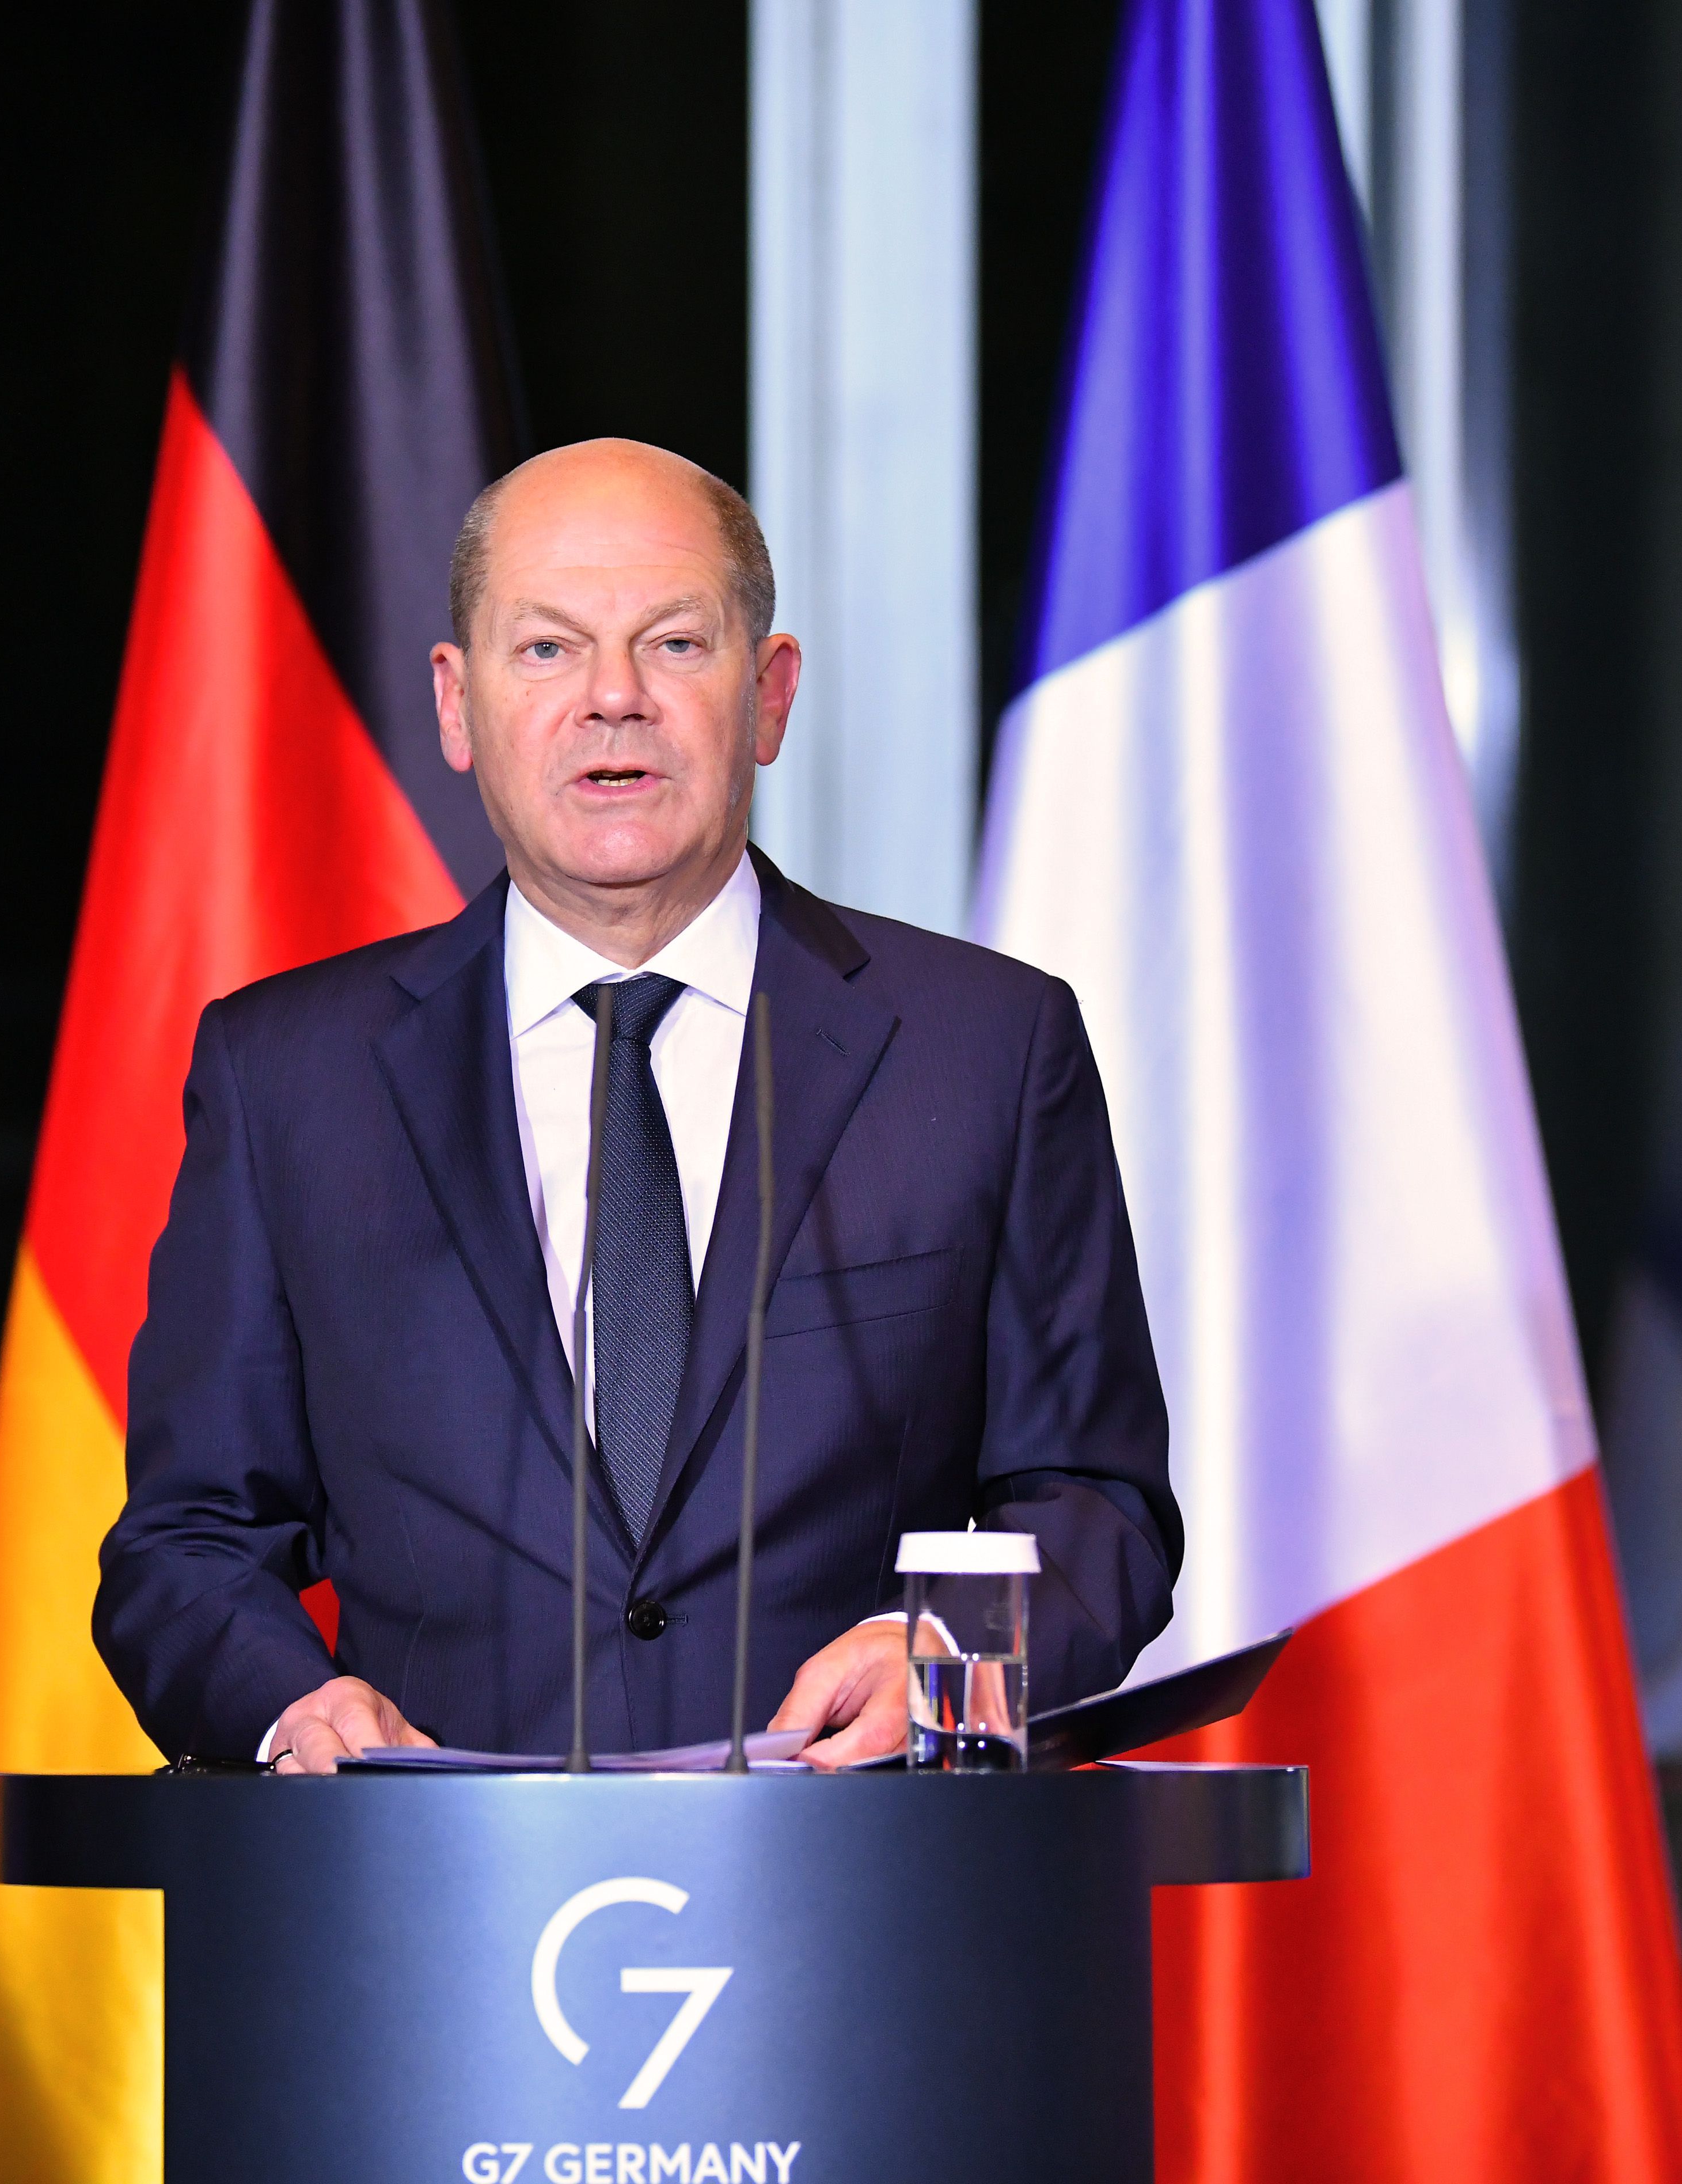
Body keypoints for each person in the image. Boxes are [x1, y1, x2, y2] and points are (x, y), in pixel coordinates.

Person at [94, 438, 1177, 1772]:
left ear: (769, 695)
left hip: (857, 1870)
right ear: (457, 705)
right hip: (438, 1877)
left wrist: (950, 1655)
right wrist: (290, 1707)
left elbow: (1097, 1503)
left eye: (674, 643)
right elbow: (189, 1541)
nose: (614, 698)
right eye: (548, 649)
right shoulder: (289, 1078)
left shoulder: (986, 1049)